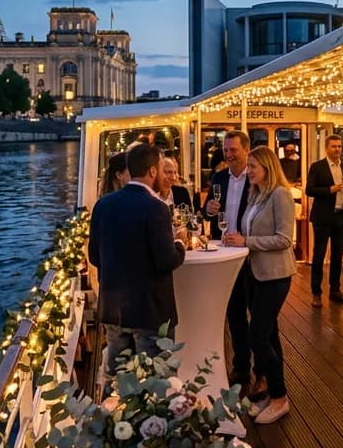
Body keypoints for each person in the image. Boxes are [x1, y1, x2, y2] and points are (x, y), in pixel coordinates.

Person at [88, 143, 188, 360]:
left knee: (119, 375)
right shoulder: (156, 208)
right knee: (154, 375)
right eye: (161, 169)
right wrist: (180, 243)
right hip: (149, 313)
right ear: (152, 171)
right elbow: (167, 261)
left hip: (114, 311)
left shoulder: (102, 205)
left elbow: (94, 256)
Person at [220, 146, 297, 424]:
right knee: (270, 335)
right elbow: (249, 230)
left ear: (267, 167)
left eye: (253, 166)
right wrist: (237, 239)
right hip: (254, 273)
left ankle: (280, 398)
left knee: (258, 336)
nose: (248, 171)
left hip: (275, 275)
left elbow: (284, 239)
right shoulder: (256, 194)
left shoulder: (280, 195)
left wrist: (247, 242)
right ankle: (273, 392)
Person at [204, 130, 256, 391]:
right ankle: (241, 368)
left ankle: (263, 371)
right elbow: (207, 210)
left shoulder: (256, 179)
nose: (228, 154)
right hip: (226, 253)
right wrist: (208, 210)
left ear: (246, 150)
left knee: (258, 317)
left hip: (251, 253)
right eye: (226, 150)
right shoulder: (219, 177)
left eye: (233, 150)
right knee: (235, 314)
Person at [305, 134, 343, 307]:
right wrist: (330, 190)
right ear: (326, 148)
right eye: (334, 146)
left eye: (339, 146)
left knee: (338, 254)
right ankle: (316, 293)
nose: (337, 149)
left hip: (341, 215)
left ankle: (335, 290)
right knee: (319, 255)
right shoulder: (317, 167)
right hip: (323, 216)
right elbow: (309, 190)